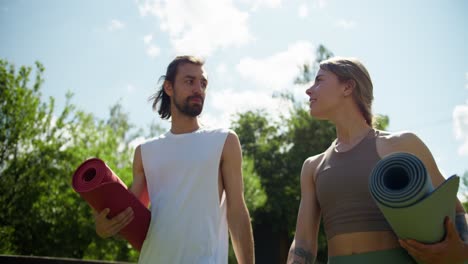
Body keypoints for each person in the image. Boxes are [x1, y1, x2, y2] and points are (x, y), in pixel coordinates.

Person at [287, 57, 468, 264]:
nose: (309, 90)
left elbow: (457, 211)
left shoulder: (402, 145)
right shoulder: (313, 167)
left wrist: (462, 251)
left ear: (347, 87)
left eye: (319, 81)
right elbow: (302, 244)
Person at [93, 56, 255, 264]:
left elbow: (237, 212)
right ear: (169, 87)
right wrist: (103, 226)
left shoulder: (224, 141)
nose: (198, 89)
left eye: (203, 83)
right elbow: (128, 217)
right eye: (189, 81)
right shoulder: (145, 152)